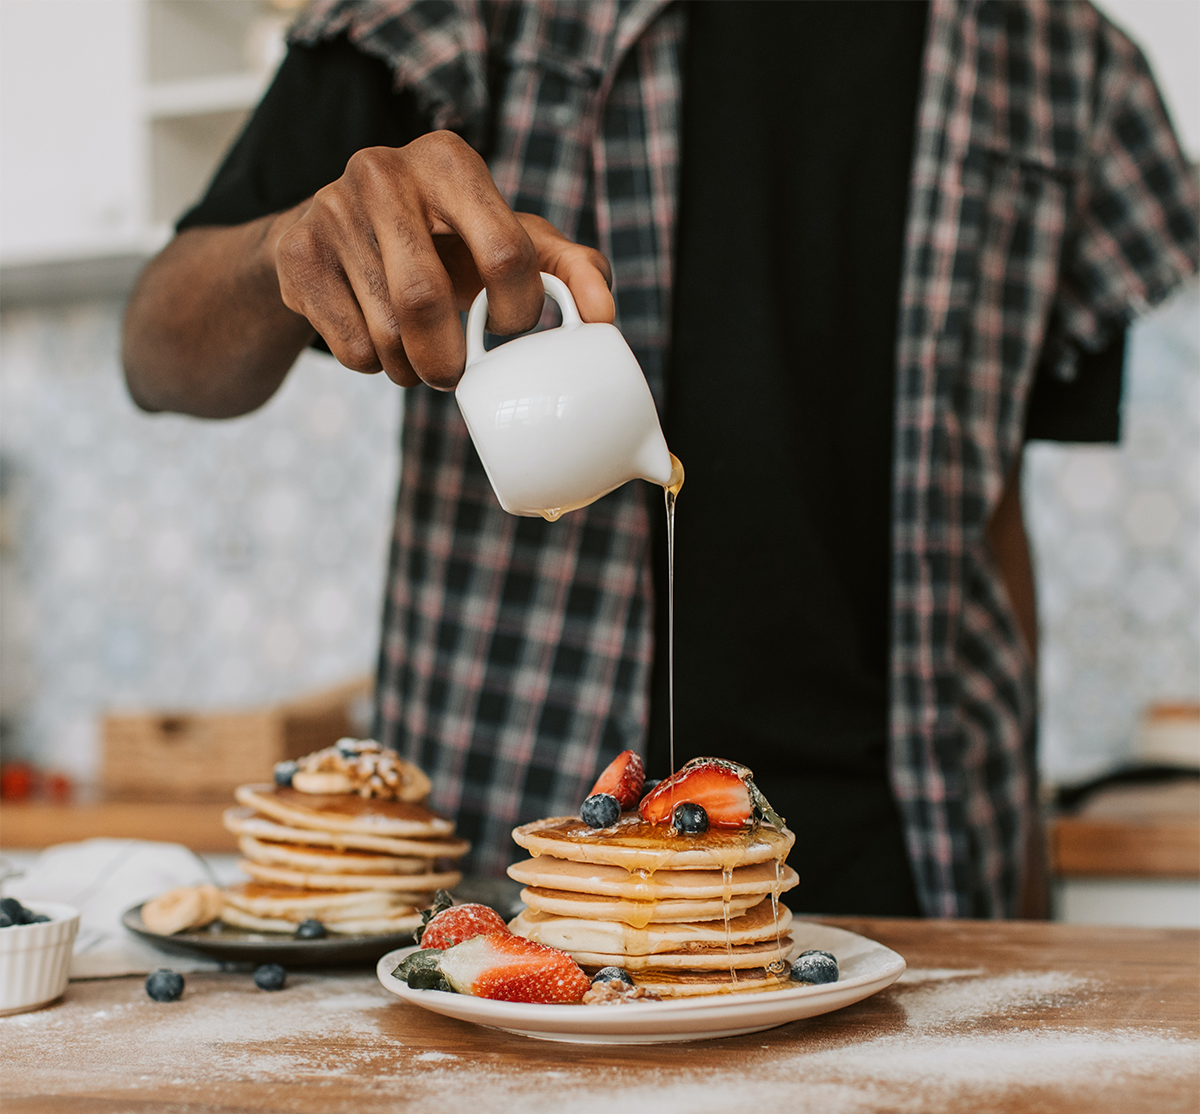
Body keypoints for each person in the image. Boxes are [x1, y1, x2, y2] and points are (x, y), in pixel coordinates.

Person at [122, 0, 1200, 917]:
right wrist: (284, 247)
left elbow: (989, 506)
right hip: (524, 868)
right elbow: (155, 349)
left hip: (908, 865)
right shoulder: (475, 14)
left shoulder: (1065, 67)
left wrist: (1025, 896)